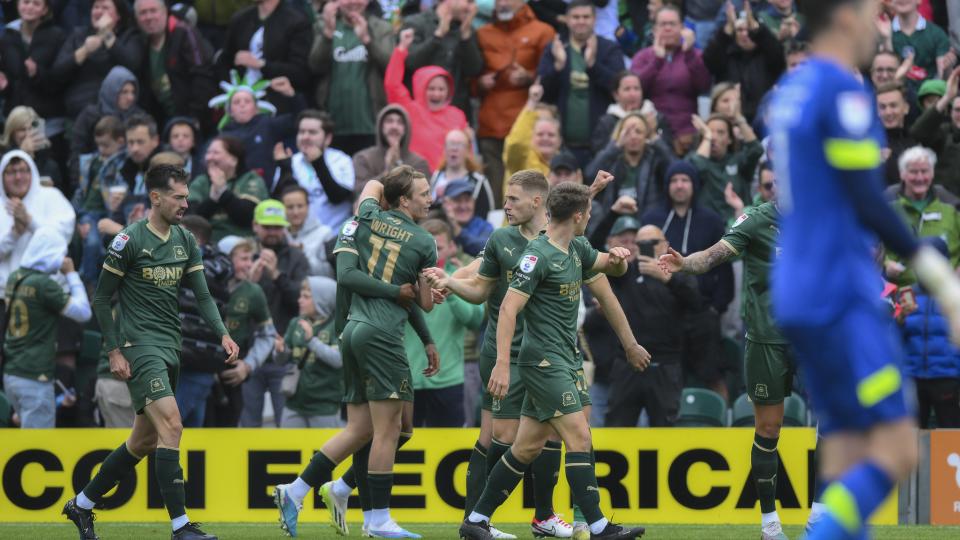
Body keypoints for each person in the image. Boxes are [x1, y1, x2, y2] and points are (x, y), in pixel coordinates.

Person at [768, 1, 960, 538]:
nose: (882, 27)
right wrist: (942, 282)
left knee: (848, 445)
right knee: (897, 447)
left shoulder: (792, 91)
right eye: (875, 13)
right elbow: (869, 199)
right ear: (847, 18)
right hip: (838, 288)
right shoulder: (841, 90)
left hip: (799, 288)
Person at [425, 170, 647, 538]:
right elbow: (506, 306)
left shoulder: (575, 247)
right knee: (576, 437)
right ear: (578, 216)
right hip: (542, 361)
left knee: (525, 447)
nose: (506, 205)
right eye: (507, 198)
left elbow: (611, 267)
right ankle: (598, 526)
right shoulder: (534, 255)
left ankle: (477, 520)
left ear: (540, 203)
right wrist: (500, 361)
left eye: (513, 198)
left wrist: (621, 258)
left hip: (564, 357)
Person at [62, 164, 240, 540]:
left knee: (142, 441)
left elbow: (203, 295)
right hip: (139, 347)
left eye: (187, 196)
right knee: (172, 425)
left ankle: (81, 504)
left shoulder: (185, 239)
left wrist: (223, 333)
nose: (185, 203)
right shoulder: (128, 240)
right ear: (155, 197)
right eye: (178, 196)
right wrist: (114, 351)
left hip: (170, 346)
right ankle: (180, 527)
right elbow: (102, 298)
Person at [273, 166, 436, 539]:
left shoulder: (362, 220)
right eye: (424, 193)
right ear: (403, 199)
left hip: (351, 331)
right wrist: (424, 290)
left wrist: (426, 336)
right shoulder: (422, 240)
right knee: (391, 430)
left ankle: (302, 490)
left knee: (366, 428)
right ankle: (377, 519)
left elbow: (373, 186)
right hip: (381, 335)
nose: (431, 199)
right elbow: (418, 300)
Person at [659, 172, 803, 539]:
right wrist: (685, 263)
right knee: (768, 428)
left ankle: (820, 516)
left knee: (834, 422)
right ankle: (770, 523)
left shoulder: (823, 218)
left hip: (814, 337)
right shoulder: (756, 220)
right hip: (768, 337)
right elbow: (713, 256)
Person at [643, 162, 734, 396]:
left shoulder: (711, 220)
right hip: (665, 312)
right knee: (671, 378)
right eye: (674, 180)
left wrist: (717, 307)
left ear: (694, 185)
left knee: (713, 375)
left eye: (685, 180)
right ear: (667, 186)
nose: (679, 185)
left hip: (702, 313)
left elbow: (724, 268)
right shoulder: (652, 219)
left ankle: (721, 416)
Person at [602, 223, 698, 428]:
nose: (646, 247)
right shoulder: (626, 271)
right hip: (628, 364)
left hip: (666, 365)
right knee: (617, 428)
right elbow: (591, 253)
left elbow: (697, 303)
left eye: (652, 242)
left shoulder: (678, 271)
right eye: (640, 243)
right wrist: (612, 215)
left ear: (665, 244)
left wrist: (668, 279)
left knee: (666, 432)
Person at [3, 228, 91, 428]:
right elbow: (84, 312)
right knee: (37, 443)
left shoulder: (15, 276)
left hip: (12, 373)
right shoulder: (43, 285)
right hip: (34, 375)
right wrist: (71, 274)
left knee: (25, 439)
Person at [475, 0, 555, 205]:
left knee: (527, 193)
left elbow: (553, 78)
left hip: (527, 125)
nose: (502, 3)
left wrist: (529, 77)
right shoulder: (482, 33)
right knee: (496, 196)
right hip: (491, 125)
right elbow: (469, 79)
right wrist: (480, 82)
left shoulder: (543, 31)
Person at [407, 219, 484, 427]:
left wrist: (449, 289)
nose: (432, 255)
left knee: (450, 441)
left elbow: (475, 320)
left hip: (448, 380)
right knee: (404, 443)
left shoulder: (461, 279)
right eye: (427, 249)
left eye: (438, 248)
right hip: (409, 380)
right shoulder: (405, 278)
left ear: (452, 248)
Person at [240, 200, 310, 427]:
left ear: (285, 227)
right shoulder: (244, 256)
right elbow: (230, 304)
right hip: (249, 352)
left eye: (277, 227)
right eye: (267, 227)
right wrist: (248, 284)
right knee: (248, 425)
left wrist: (277, 275)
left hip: (284, 351)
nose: (272, 232)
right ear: (255, 225)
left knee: (286, 424)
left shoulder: (297, 258)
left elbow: (303, 302)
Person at [536, 0, 624, 166]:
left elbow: (619, 90)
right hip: (561, 147)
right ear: (567, 19)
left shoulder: (609, 48)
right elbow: (541, 93)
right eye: (576, 17)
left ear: (594, 19)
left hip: (601, 146)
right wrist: (558, 67)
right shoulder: (555, 48)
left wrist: (593, 66)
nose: (581, 21)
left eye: (586, 17)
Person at [310, 0, 393, 157]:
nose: (353, 2)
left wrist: (368, 41)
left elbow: (391, 67)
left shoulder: (381, 28)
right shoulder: (323, 25)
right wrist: (328, 34)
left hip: (370, 123)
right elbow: (315, 66)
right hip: (333, 124)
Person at [631, 5, 711, 157]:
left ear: (682, 28)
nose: (667, 28)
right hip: (652, 130)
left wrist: (689, 54)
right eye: (663, 24)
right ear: (654, 29)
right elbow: (635, 89)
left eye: (672, 24)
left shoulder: (695, 55)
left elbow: (704, 85)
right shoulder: (643, 57)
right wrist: (657, 61)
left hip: (687, 132)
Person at [386, 28, 468, 171]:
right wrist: (402, 48)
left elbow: (467, 151)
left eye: (441, 89)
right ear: (420, 88)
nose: (436, 94)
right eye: (431, 89)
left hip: (446, 177)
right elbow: (392, 85)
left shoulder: (457, 115)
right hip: (415, 177)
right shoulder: (410, 110)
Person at [899, 237, 960, 429]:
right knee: (912, 435)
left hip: (947, 377)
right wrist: (900, 318)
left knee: (949, 437)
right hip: (913, 378)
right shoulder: (907, 295)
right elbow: (894, 339)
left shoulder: (954, 296)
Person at [134, 0, 218, 134]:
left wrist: (194, 117)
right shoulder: (142, 41)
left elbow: (202, 75)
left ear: (165, 12)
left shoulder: (184, 32)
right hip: (164, 121)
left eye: (153, 11)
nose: (149, 17)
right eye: (143, 13)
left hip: (193, 120)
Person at [51, 0, 142, 120]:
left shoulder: (129, 36)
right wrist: (84, 50)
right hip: (79, 109)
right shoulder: (79, 35)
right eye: (96, 7)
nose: (98, 11)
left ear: (118, 15)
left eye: (105, 8)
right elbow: (57, 73)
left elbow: (132, 64)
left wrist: (106, 34)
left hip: (116, 113)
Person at [0, 150, 75, 292]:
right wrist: (14, 234)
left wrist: (29, 221)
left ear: (32, 172)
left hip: (48, 291)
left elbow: (60, 240)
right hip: (5, 293)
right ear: (2, 176)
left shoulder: (52, 196)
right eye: (11, 172)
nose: (18, 177)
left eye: (23, 170)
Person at [884, 146, 960, 287]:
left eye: (924, 171)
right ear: (902, 174)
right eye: (913, 172)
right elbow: (871, 249)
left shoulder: (951, 209)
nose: (920, 178)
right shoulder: (888, 210)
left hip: (947, 292)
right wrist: (886, 265)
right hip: (901, 294)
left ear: (932, 173)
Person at [217, 0, 312, 110]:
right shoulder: (240, 18)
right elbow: (224, 60)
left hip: (278, 102)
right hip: (239, 101)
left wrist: (262, 65)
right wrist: (231, 90)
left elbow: (300, 72)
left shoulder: (297, 21)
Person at [586, 111, 674, 228]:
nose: (633, 136)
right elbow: (590, 174)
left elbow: (675, 171)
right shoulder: (612, 158)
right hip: (614, 228)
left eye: (638, 132)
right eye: (627, 132)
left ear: (646, 136)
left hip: (646, 227)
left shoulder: (655, 160)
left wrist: (654, 137)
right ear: (620, 134)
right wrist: (616, 146)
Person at [277, 276, 344, 428]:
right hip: (293, 405)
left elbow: (338, 360)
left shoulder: (337, 325)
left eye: (306, 297)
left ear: (322, 300)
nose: (299, 300)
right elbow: (281, 360)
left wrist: (311, 340)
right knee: (287, 443)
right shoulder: (296, 323)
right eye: (300, 296)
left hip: (324, 408)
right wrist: (280, 351)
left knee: (325, 444)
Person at [272, 110, 355, 230]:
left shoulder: (341, 160)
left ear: (328, 138)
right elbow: (278, 201)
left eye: (312, 132)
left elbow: (338, 198)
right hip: (297, 236)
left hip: (335, 234)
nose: (305, 137)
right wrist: (285, 170)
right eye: (302, 132)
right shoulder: (290, 161)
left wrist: (318, 162)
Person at [703, 1, 785, 123]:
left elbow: (779, 55)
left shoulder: (768, 54)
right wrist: (726, 32)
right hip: (730, 122)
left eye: (748, 29)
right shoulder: (725, 55)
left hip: (763, 120)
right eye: (739, 30)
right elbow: (709, 60)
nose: (745, 34)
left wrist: (757, 29)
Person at [401, 0, 482, 115]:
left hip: (455, 112)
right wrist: (438, 36)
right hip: (419, 113)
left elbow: (474, 70)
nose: (473, 8)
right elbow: (410, 62)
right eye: (469, 2)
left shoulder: (467, 30)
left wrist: (465, 37)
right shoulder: (416, 23)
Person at [73, 115, 126, 284]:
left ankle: (93, 281)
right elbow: (81, 192)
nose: (101, 150)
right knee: (92, 242)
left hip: (106, 214)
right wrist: (76, 216)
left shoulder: (121, 163)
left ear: (120, 142)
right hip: (87, 213)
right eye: (99, 145)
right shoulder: (91, 162)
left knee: (98, 244)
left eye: (106, 145)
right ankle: (89, 283)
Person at [187, 135, 268, 242]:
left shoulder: (250, 179)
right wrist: (212, 200)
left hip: (244, 242)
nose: (209, 158)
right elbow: (190, 217)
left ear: (233, 160)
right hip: (205, 243)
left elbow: (248, 217)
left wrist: (223, 192)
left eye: (215, 153)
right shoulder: (201, 181)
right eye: (208, 152)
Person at [688, 113, 763, 223]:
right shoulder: (693, 159)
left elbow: (756, 150)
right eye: (709, 132)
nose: (713, 137)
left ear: (730, 139)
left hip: (738, 225)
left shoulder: (738, 160)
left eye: (720, 132)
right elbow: (696, 168)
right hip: (706, 225)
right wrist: (707, 138)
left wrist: (739, 118)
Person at [70, 65, 143, 167]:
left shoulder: (139, 118)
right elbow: (77, 152)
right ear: (112, 91)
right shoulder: (90, 116)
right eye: (124, 92)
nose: (130, 97)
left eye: (133, 92)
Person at [353, 105, 431, 192]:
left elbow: (423, 193)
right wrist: (387, 172)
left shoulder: (419, 163)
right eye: (389, 121)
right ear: (381, 126)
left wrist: (398, 166)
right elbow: (359, 191)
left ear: (406, 129)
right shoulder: (364, 158)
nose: (394, 126)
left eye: (400, 122)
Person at [909, 67, 960, 195]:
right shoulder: (943, 133)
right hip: (945, 202)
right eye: (957, 110)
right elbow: (917, 132)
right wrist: (947, 97)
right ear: (951, 111)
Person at [430, 129, 496, 222]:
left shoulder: (479, 182)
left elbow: (488, 216)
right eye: (450, 144)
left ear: (468, 150)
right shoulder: (436, 176)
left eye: (459, 144)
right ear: (444, 148)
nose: (454, 148)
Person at [502, 82, 562, 184]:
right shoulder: (521, 159)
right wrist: (532, 102)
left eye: (551, 135)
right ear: (531, 135)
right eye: (540, 134)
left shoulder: (565, 163)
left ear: (560, 140)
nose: (545, 138)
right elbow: (517, 143)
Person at [591, 71, 663, 155]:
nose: (632, 94)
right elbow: (598, 158)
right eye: (627, 89)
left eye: (636, 88)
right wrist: (616, 144)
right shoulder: (606, 123)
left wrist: (653, 136)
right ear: (616, 95)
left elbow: (669, 159)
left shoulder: (656, 118)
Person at [884, 0, 953, 82]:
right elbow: (884, 77)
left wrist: (947, 67)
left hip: (929, 89)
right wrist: (886, 39)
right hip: (894, 88)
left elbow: (943, 79)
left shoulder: (936, 34)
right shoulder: (884, 31)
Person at [280, 186, 334, 278]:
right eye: (290, 207)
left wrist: (302, 255)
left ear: (308, 206)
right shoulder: (277, 233)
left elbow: (329, 273)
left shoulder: (325, 233)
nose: (295, 212)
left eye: (300, 206)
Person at [876, 82, 917, 185]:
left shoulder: (916, 139)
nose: (888, 112)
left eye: (893, 106)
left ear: (906, 108)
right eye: (882, 107)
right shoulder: (869, 144)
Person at [442, 179, 494, 257]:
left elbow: (487, 250)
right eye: (457, 200)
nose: (463, 206)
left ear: (474, 202)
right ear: (446, 203)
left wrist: (457, 229)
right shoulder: (437, 222)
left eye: (467, 200)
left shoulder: (484, 226)